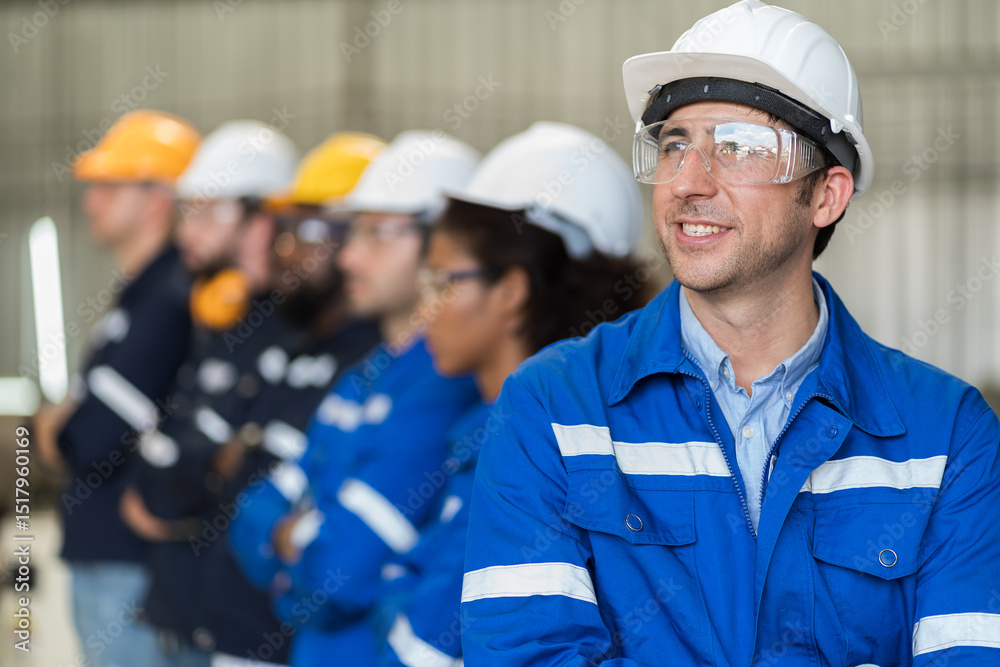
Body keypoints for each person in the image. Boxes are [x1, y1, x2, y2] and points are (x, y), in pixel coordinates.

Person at [461, 2, 1000, 666]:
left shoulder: (946, 436)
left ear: (827, 196)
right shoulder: (556, 407)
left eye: (738, 147)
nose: (687, 182)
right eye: (675, 144)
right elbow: (523, 655)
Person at [374, 121, 655, 666]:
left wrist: (396, 595)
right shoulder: (496, 427)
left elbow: (420, 646)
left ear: (511, 290)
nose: (425, 310)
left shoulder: (522, 447)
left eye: (441, 283)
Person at [122, 127, 384, 666]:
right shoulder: (288, 341)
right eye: (287, 230)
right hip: (217, 622)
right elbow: (208, 478)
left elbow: (260, 494)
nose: (287, 250)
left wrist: (227, 475)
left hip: (283, 637)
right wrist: (225, 469)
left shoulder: (370, 364)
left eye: (310, 230)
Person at [228, 130, 482, 666]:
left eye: (376, 234)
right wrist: (295, 542)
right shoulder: (367, 373)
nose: (349, 258)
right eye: (352, 233)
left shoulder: (445, 384)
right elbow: (250, 515)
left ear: (442, 245)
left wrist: (291, 542)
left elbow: (337, 574)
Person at [34, 109, 200, 667]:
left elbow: (89, 438)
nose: (91, 202)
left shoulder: (168, 300)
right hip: (114, 560)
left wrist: (57, 426)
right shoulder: (141, 298)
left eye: (109, 187)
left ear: (158, 199)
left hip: (130, 567)